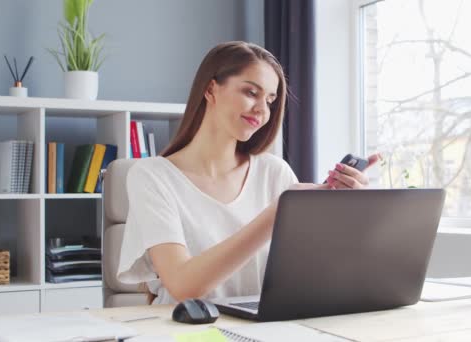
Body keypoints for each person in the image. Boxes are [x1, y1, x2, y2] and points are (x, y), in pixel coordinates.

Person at [117, 41, 381, 305]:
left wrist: (349, 213)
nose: (263, 110)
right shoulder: (152, 176)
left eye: (270, 100)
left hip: (262, 326)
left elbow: (315, 273)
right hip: (190, 331)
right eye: (251, 92)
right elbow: (184, 286)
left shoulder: (274, 172)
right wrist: (278, 213)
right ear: (210, 89)